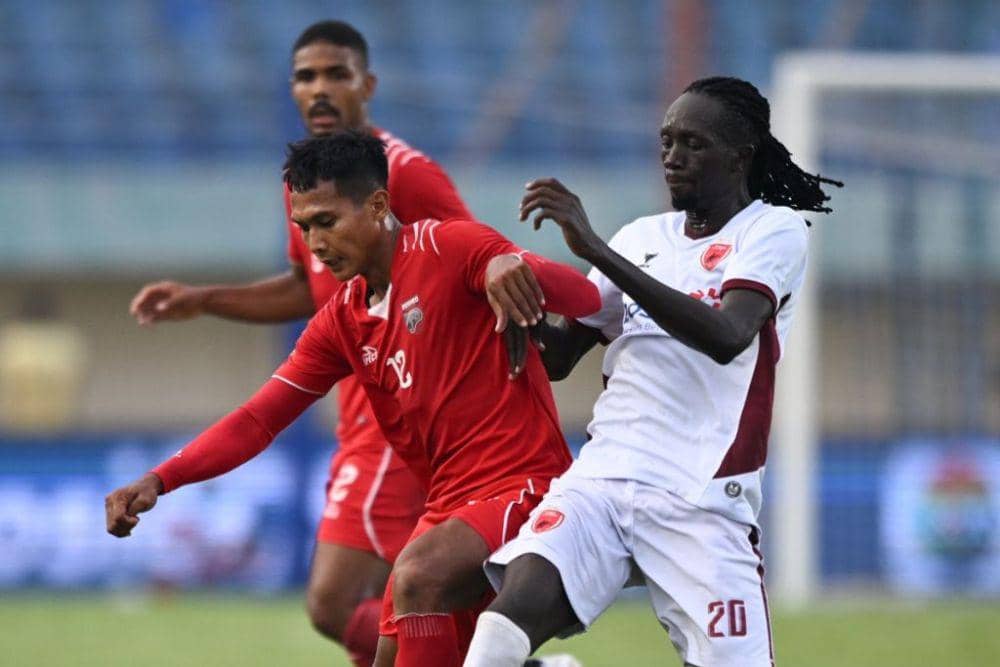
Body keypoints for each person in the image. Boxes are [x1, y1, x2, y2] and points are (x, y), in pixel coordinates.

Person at [106, 132, 601, 667]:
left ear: (379, 204)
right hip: (446, 506)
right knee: (384, 655)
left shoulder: (447, 245)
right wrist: (159, 479)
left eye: (327, 221)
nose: (315, 244)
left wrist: (515, 265)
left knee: (414, 576)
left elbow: (588, 299)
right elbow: (258, 419)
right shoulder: (343, 319)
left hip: (522, 483)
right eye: (303, 228)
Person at [127, 20, 473, 667]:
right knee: (383, 613)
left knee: (335, 602)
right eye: (305, 77)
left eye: (335, 74)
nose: (319, 90)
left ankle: (499, 657)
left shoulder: (408, 176)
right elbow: (305, 289)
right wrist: (205, 299)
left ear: (367, 85)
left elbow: (479, 266)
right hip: (360, 415)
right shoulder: (306, 180)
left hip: (401, 420)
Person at [463, 76, 842, 667]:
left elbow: (727, 335)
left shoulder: (773, 231)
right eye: (666, 141)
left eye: (693, 144)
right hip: (603, 482)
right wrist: (516, 298)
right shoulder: (641, 238)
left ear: (740, 156)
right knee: (496, 638)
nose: (672, 157)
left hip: (700, 496)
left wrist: (594, 251)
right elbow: (561, 358)